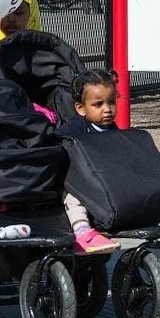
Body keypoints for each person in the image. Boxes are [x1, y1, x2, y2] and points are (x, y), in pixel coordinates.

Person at [56, 69, 121, 254]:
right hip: (78, 183)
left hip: (103, 182)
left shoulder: (114, 130)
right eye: (98, 104)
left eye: (111, 102)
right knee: (73, 197)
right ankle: (82, 231)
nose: (107, 109)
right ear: (81, 108)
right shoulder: (72, 130)